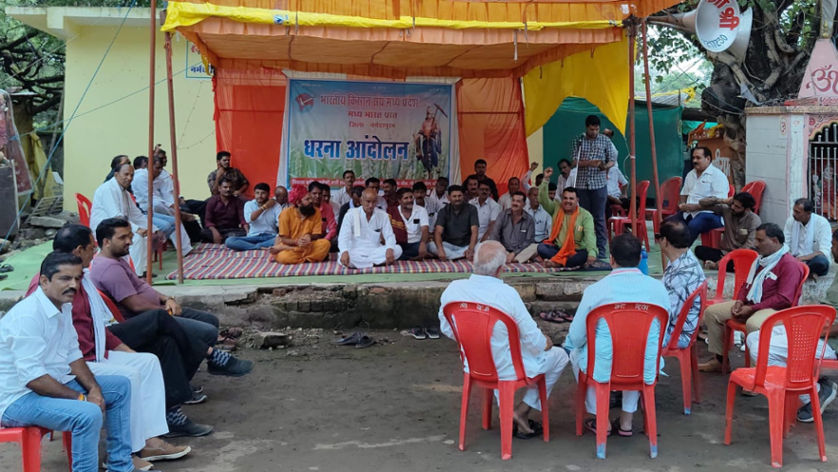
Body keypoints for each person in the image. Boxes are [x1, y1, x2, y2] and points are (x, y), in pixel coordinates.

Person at [41, 224, 195, 464]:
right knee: (130, 376)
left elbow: (98, 329)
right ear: (80, 250)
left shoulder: (81, 277)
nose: (95, 253)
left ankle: (150, 441)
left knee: (147, 362)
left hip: (93, 354)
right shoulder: (52, 283)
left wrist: (129, 352)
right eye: (92, 248)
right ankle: (125, 453)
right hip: (71, 365)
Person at [0, 252, 135, 472]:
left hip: (50, 384)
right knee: (88, 414)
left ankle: (120, 467)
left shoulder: (63, 307)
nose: (73, 285)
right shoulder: (28, 316)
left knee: (120, 386)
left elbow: (74, 355)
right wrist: (81, 398)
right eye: (65, 279)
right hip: (17, 399)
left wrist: (94, 390)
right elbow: (33, 379)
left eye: (77, 278)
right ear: (44, 281)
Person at [90, 219, 253, 382]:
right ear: (106, 242)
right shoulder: (109, 268)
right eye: (123, 238)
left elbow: (142, 286)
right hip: (144, 319)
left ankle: (186, 375)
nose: (130, 242)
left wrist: (168, 298)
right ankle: (180, 384)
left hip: (158, 309)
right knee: (207, 332)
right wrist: (165, 310)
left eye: (130, 236)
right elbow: (135, 305)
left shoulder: (117, 260)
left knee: (210, 320)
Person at [438, 241, 569, 437]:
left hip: (474, 364)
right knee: (559, 355)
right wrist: (547, 342)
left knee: (503, 349)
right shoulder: (507, 294)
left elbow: (447, 329)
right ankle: (522, 411)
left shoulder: (453, 290)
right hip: (506, 366)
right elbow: (535, 342)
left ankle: (508, 410)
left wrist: (473, 341)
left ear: (473, 263)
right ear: (500, 270)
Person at [564, 234, 670, 436]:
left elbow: (576, 337)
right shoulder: (659, 290)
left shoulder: (596, 291)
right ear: (640, 259)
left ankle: (601, 419)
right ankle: (626, 422)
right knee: (637, 349)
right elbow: (662, 338)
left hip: (603, 366)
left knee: (577, 352)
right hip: (644, 364)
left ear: (611, 259)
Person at [745, 228, 838, 423]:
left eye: (834, 246)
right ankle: (812, 387)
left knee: (762, 349)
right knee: (755, 336)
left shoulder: (788, 263)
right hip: (817, 332)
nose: (832, 250)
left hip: (829, 345)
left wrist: (812, 329)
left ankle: (813, 393)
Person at [699, 223, 806, 373]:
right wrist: (739, 301)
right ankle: (720, 360)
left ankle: (756, 374)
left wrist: (752, 309)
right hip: (753, 304)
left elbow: (784, 299)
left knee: (754, 325)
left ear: (775, 241)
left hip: (777, 310)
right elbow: (746, 284)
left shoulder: (789, 264)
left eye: (760, 240)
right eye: (756, 239)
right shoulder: (761, 260)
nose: (756, 244)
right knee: (712, 313)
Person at [91, 161, 163, 276]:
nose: (129, 178)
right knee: (137, 238)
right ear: (116, 175)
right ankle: (135, 274)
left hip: (118, 226)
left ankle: (142, 270)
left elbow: (136, 215)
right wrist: (136, 229)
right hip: (104, 229)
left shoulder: (124, 192)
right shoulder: (108, 189)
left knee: (146, 236)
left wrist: (153, 228)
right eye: (126, 174)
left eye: (132, 175)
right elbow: (116, 216)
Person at [571, 115, 617, 259]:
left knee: (599, 218)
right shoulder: (578, 140)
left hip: (599, 185)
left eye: (597, 129)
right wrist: (590, 163)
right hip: (581, 185)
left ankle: (602, 250)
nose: (594, 132)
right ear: (586, 128)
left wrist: (604, 166)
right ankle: (583, 248)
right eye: (592, 129)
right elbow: (574, 162)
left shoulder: (605, 140)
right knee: (583, 218)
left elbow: (612, 160)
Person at [131, 154, 195, 254]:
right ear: (148, 166)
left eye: (161, 168)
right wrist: (172, 208)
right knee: (162, 207)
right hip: (144, 209)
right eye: (157, 168)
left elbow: (167, 194)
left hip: (160, 207)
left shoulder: (162, 175)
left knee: (175, 218)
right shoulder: (140, 177)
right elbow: (150, 198)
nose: (159, 171)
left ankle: (185, 249)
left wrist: (173, 206)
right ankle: (180, 217)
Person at [657, 220, 706, 348]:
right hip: (677, 327)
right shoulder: (683, 258)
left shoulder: (682, 274)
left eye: (658, 237)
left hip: (676, 334)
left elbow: (667, 315)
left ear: (665, 241)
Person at [537, 170, 597, 269]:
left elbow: (589, 235)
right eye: (565, 198)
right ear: (562, 198)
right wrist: (545, 179)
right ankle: (563, 262)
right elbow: (543, 199)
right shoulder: (556, 208)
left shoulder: (585, 215)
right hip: (558, 249)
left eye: (571, 199)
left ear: (577, 200)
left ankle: (556, 263)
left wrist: (592, 252)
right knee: (541, 248)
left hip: (575, 251)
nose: (567, 201)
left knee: (583, 256)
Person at [668, 146, 729, 242]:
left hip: (711, 214)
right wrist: (682, 204)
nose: (694, 161)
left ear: (708, 159)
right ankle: (673, 249)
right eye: (693, 158)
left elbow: (720, 204)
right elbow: (684, 194)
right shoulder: (690, 174)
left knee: (693, 225)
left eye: (698, 158)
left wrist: (697, 207)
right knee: (668, 223)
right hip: (689, 212)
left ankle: (682, 252)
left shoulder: (718, 176)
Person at [694, 192, 761, 268]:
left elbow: (749, 245)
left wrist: (730, 256)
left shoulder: (754, 220)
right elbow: (702, 203)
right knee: (699, 250)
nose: (733, 207)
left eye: (737, 207)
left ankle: (719, 265)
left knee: (745, 264)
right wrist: (722, 201)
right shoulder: (727, 210)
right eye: (733, 204)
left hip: (740, 255)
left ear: (747, 209)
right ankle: (723, 265)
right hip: (724, 253)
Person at [338, 189, 402, 269]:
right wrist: (344, 251)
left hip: (375, 250)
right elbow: (343, 237)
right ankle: (375, 263)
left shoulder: (383, 215)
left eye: (374, 202)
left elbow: (389, 235)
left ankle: (362, 264)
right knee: (342, 255)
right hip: (356, 251)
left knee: (398, 249)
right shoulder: (351, 215)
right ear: (361, 201)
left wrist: (389, 249)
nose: (371, 205)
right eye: (368, 202)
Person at [271, 186, 331, 264]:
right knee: (284, 257)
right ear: (298, 203)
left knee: (325, 244)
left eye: (310, 198)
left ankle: (298, 257)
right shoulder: (285, 214)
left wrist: (309, 236)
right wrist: (296, 242)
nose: (311, 201)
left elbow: (317, 234)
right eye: (307, 199)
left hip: (307, 246)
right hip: (292, 245)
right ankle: (310, 258)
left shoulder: (316, 211)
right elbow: (284, 239)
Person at [783, 197, 832, 278]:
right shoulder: (791, 221)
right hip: (794, 258)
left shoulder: (822, 223)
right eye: (794, 210)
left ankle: (802, 271)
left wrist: (803, 258)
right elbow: (786, 244)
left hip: (812, 259)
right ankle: (807, 272)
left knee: (821, 262)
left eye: (797, 212)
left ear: (808, 213)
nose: (794, 214)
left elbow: (824, 251)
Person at [225, 182, 282, 251]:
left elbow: (280, 223)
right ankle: (258, 247)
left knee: (282, 239)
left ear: (268, 194)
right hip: (253, 237)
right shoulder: (249, 204)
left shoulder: (276, 205)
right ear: (254, 194)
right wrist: (264, 207)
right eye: (257, 193)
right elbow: (249, 219)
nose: (260, 196)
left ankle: (254, 246)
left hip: (270, 236)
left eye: (263, 193)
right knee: (229, 241)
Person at [428, 185, 478, 261]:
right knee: (430, 245)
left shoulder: (471, 209)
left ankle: (454, 256)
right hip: (448, 245)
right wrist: (441, 250)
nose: (457, 199)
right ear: (449, 197)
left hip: (466, 245)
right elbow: (438, 232)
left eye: (459, 196)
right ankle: (459, 256)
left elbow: (474, 231)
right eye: (454, 196)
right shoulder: (443, 211)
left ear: (463, 196)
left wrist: (471, 249)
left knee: (481, 245)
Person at [489, 191, 535, 263]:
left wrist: (514, 253)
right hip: (503, 250)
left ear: (524, 204)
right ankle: (516, 259)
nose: (515, 203)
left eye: (518, 201)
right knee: (489, 245)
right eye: (513, 200)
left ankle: (512, 259)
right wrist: (503, 250)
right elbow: (495, 234)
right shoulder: (503, 215)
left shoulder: (529, 219)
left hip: (520, 251)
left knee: (535, 247)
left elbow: (528, 241)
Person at [388, 188, 429, 260]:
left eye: (411, 197)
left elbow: (425, 229)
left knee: (423, 248)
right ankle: (411, 258)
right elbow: (387, 231)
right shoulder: (392, 211)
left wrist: (423, 244)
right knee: (393, 250)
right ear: (399, 201)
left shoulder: (421, 210)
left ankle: (402, 257)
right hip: (398, 243)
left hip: (415, 243)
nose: (409, 200)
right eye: (406, 198)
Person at [202, 177, 248, 244]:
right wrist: (215, 233)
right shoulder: (212, 201)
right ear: (219, 188)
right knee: (203, 233)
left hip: (232, 229)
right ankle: (228, 240)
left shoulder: (237, 201)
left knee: (243, 233)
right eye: (225, 187)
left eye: (230, 187)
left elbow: (242, 219)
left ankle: (226, 239)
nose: (228, 189)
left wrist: (248, 232)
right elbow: (208, 220)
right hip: (217, 229)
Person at [416, 105, 442, 177]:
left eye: (429, 113)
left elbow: (438, 130)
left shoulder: (435, 122)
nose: (428, 114)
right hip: (425, 139)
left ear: (432, 114)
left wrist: (434, 131)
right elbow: (421, 130)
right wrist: (420, 133)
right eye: (427, 113)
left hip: (432, 139)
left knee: (433, 151)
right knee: (425, 152)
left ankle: (436, 166)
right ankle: (426, 168)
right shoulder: (424, 122)